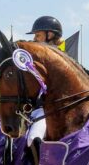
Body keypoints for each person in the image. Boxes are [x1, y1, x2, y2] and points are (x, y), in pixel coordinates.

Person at [25, 16, 65, 154]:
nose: (35, 39)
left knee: (33, 138)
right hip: (35, 110)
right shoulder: (35, 61)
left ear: (50, 35)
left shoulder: (62, 59)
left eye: (38, 35)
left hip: (52, 109)